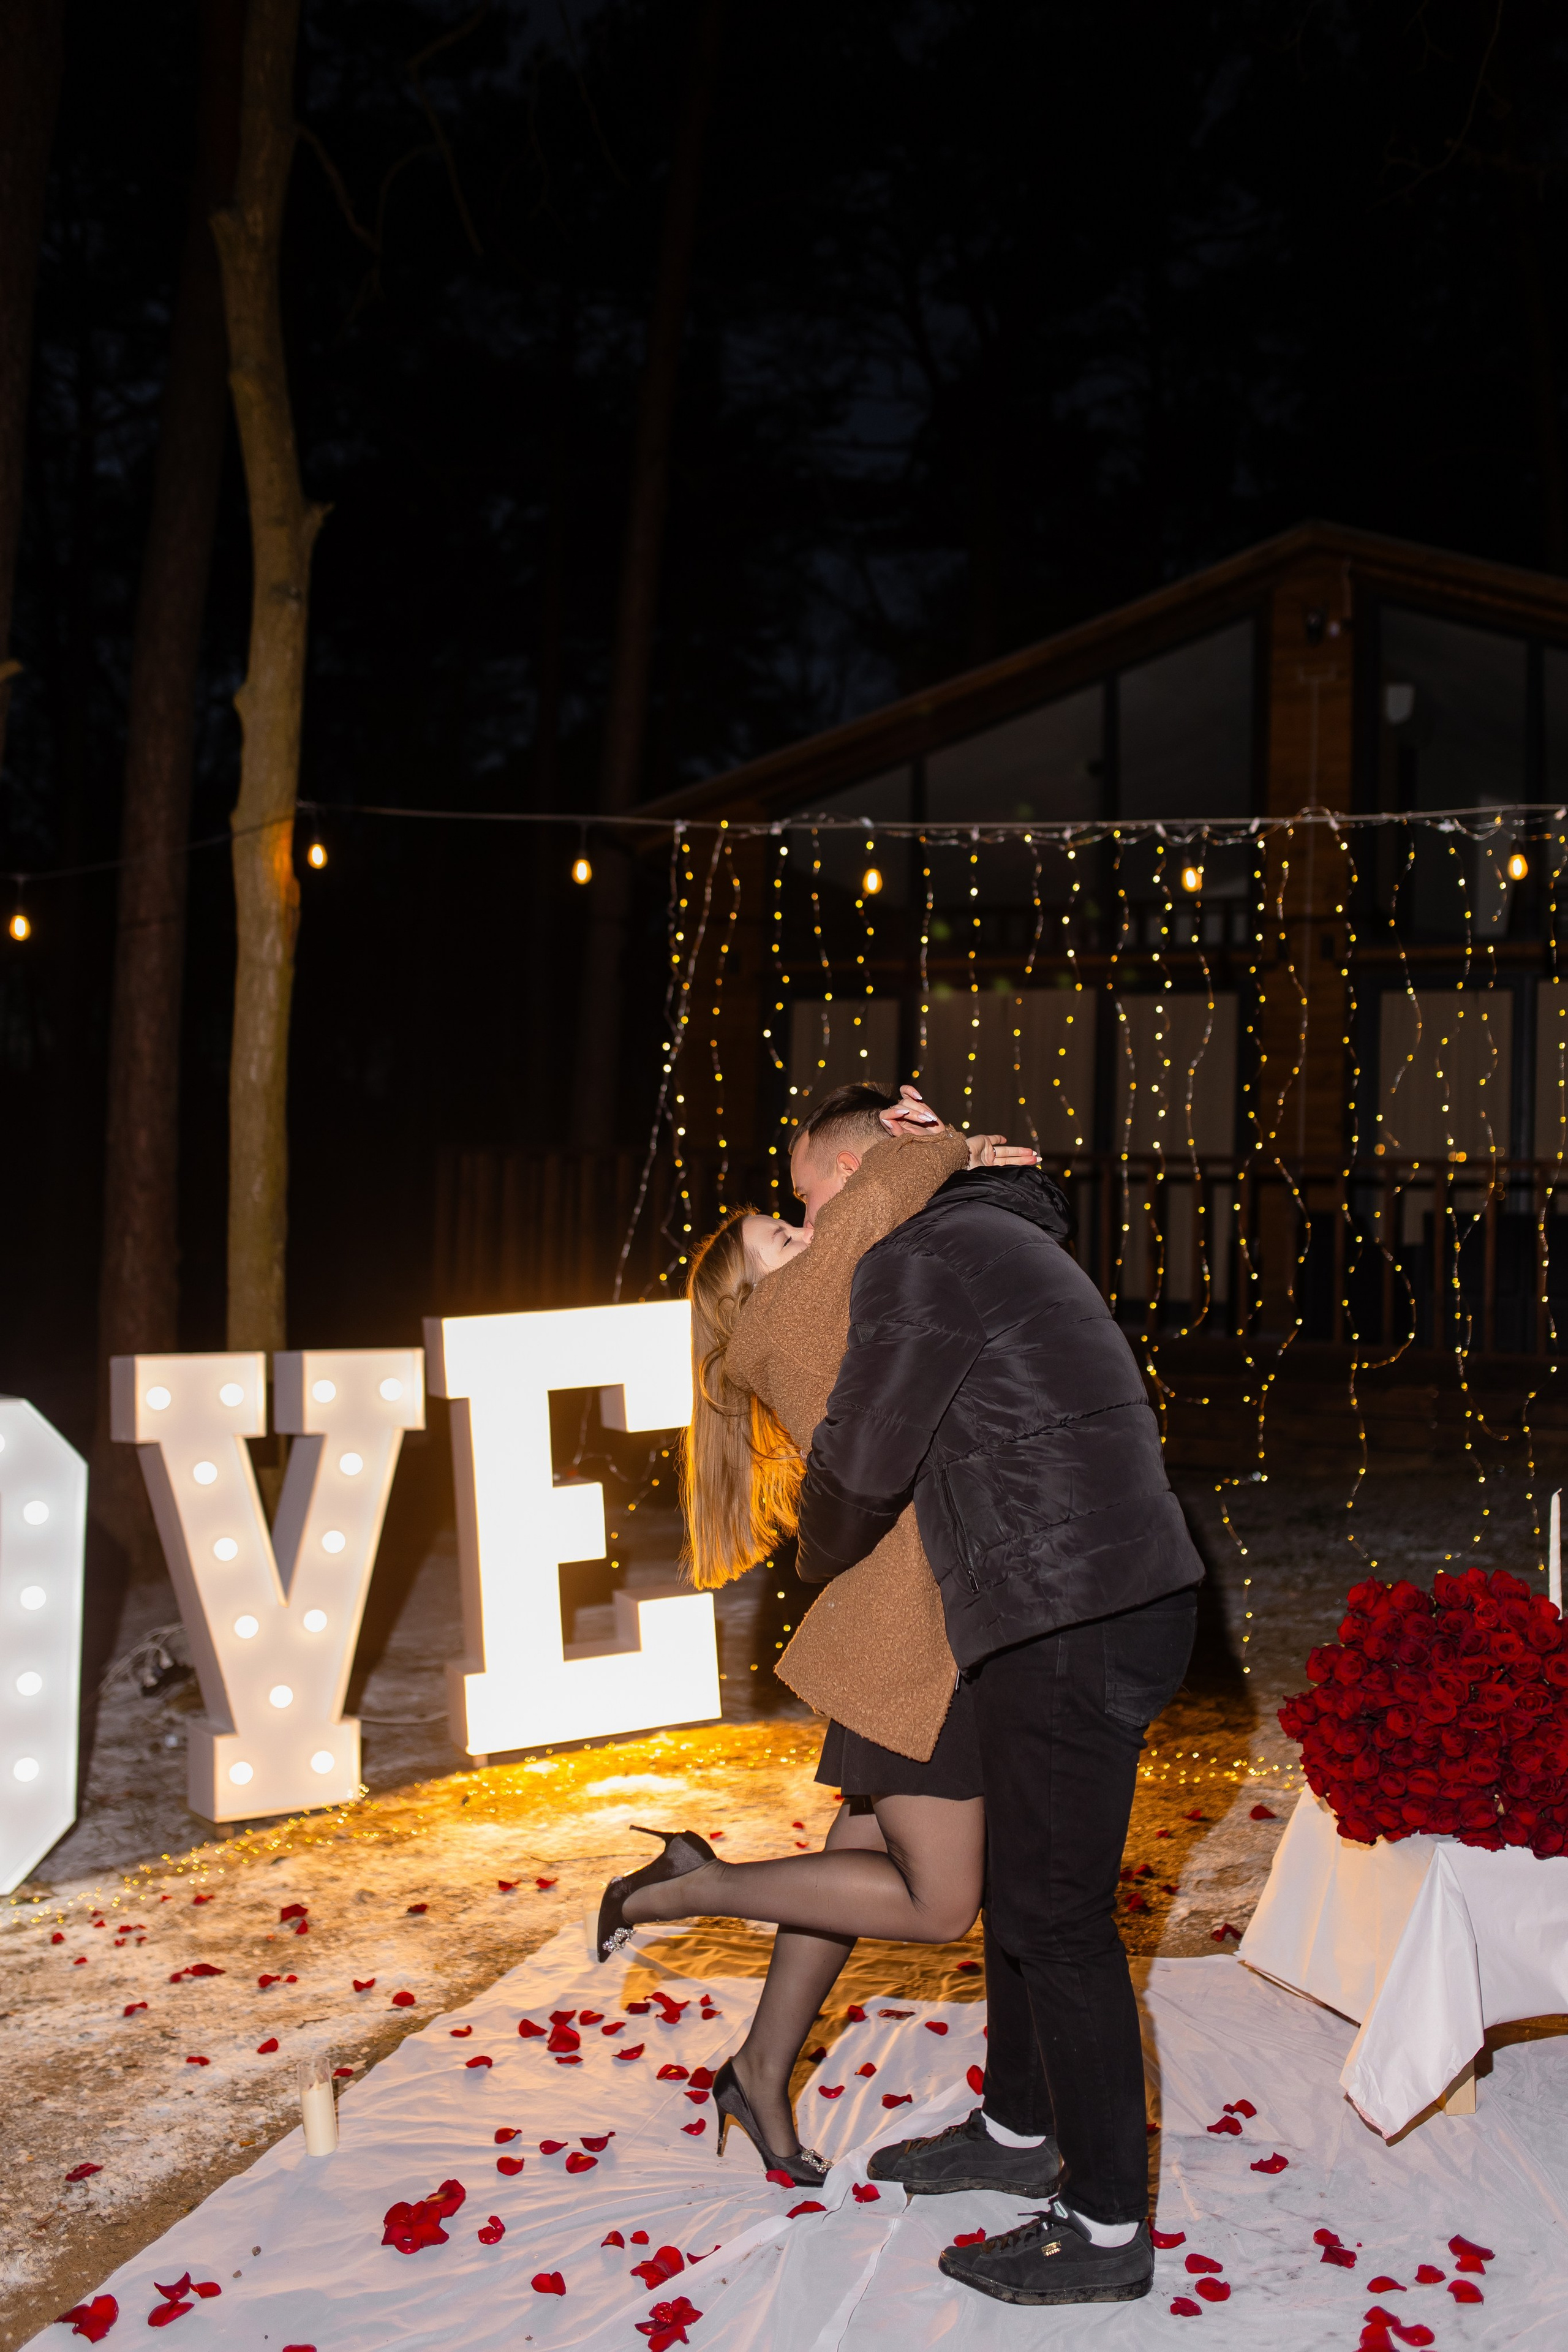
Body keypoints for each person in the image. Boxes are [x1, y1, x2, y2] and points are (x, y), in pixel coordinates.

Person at [593, 1084, 1047, 2198]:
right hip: (904, 1648)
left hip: (903, 1634)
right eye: (781, 1234)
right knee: (939, 1905)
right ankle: (684, 1889)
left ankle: (756, 2068)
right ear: (751, 1297)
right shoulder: (785, 1322)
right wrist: (934, 1141)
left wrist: (968, 1162)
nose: (805, 1230)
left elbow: (886, 1222)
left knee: (850, 1870)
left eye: (793, 1219)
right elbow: (875, 1195)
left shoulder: (807, 1308)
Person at [791, 1114, 1205, 2305]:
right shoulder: (987, 1237)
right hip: (1089, 1599)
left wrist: (810, 1533)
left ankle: (1101, 2226)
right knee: (1028, 1895)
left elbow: (863, 1467)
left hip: (1069, 1611)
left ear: (865, 1176)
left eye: (811, 1197)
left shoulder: (916, 1258)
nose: (813, 1228)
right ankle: (1020, 2132)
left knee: (1053, 1915)